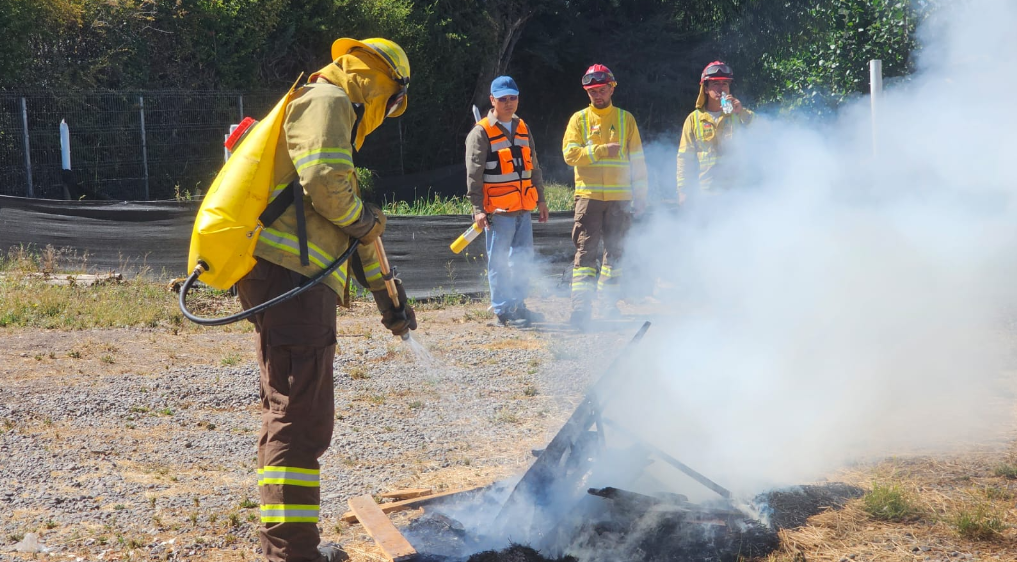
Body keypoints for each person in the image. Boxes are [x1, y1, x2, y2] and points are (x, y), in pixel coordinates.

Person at [236, 37, 417, 562]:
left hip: (289, 279)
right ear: (383, 83)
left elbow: (345, 228)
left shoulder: (321, 104)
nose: (389, 110)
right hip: (292, 281)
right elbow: (328, 188)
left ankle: (288, 545)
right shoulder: (329, 101)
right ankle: (293, 553)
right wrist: (367, 219)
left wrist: (390, 300)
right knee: (300, 416)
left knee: (290, 408)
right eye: (394, 99)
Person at [562, 64, 648, 327]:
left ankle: (609, 305)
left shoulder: (625, 119)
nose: (597, 95)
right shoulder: (579, 119)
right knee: (585, 253)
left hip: (620, 198)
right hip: (588, 197)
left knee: (615, 253)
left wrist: (641, 194)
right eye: (592, 91)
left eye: (601, 90)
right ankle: (581, 311)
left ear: (612, 88)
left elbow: (638, 160)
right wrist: (599, 150)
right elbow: (569, 155)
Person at [465, 75, 549, 327]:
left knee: (522, 259)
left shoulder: (522, 127)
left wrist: (541, 200)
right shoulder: (480, 132)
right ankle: (502, 311)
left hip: (524, 209)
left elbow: (534, 166)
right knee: (499, 261)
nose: (509, 103)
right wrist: (478, 209)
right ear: (492, 100)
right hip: (498, 212)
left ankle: (518, 305)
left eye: (513, 98)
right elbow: (473, 175)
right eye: (503, 99)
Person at [676, 61, 754, 205]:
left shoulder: (738, 114)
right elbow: (684, 158)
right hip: (706, 195)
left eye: (725, 84)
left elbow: (767, 132)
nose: (721, 88)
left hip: (736, 194)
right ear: (705, 89)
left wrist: (741, 112)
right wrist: (683, 191)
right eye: (715, 84)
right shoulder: (693, 119)